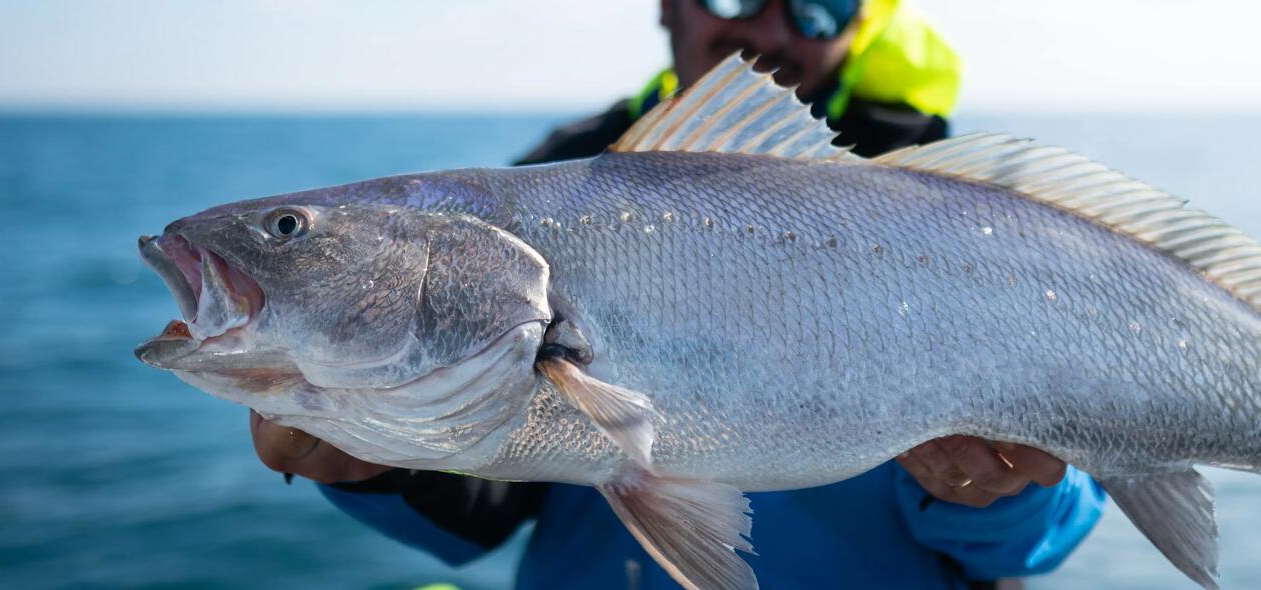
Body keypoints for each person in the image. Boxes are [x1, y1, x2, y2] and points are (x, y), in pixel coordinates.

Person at [252, 1, 1107, 588]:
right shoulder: (538, 198)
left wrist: (1004, 490)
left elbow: (1053, 526)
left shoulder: (965, 221)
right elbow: (484, 511)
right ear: (666, 2)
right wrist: (371, 461)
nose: (769, 30)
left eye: (819, 5)